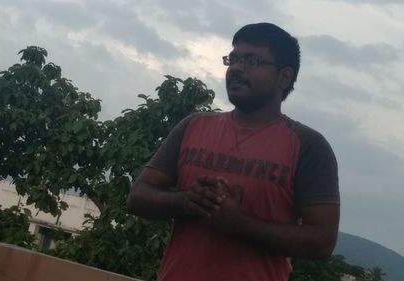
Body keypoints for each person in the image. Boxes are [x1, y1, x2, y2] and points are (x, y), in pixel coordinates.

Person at [127, 22, 340, 281]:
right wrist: (188, 201)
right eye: (234, 58)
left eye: (252, 61)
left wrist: (240, 225)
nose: (237, 68)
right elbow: (137, 196)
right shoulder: (194, 126)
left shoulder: (308, 146)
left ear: (284, 76)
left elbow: (322, 242)